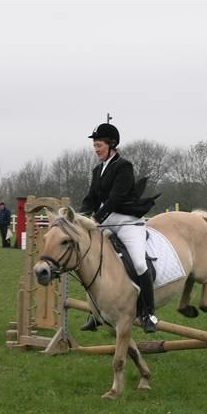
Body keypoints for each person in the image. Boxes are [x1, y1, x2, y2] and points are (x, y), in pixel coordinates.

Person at [79, 123, 160, 333]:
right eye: (94, 146)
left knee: (140, 263)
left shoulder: (124, 166)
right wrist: (79, 216)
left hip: (126, 222)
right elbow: (91, 198)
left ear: (111, 144)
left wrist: (96, 219)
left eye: (99, 145)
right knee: (91, 258)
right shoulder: (98, 170)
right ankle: (95, 313)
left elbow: (116, 199)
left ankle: (148, 313)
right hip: (105, 221)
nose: (96, 149)